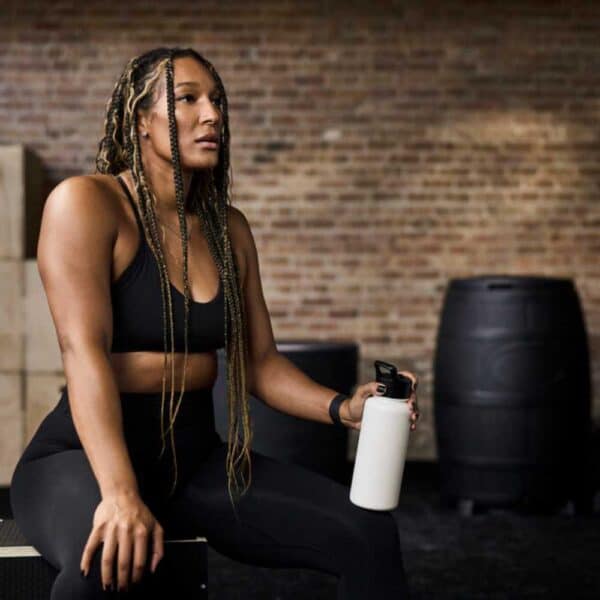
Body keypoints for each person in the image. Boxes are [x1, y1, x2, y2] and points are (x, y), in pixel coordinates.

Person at [9, 46, 420, 599]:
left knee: (367, 534)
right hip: (82, 458)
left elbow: (262, 363)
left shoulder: (228, 229)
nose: (212, 115)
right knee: (100, 569)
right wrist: (120, 492)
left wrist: (344, 408)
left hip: (195, 459)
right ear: (140, 120)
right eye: (187, 99)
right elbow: (82, 352)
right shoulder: (86, 203)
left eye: (218, 101)